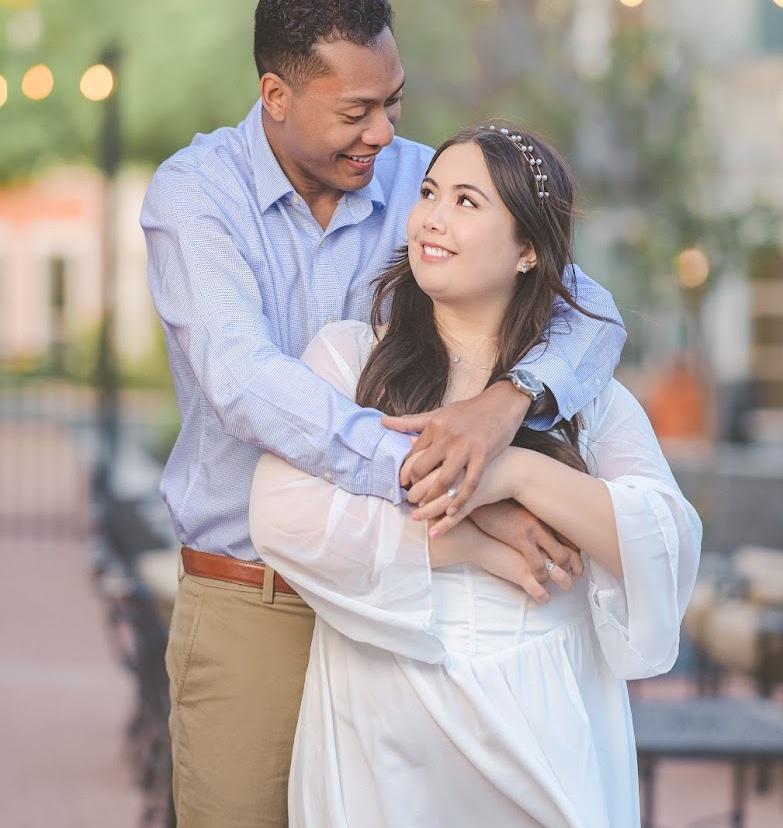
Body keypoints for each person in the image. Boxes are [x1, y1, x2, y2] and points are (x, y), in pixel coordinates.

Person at [141, 2, 626, 825]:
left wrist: (505, 408)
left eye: (393, 102)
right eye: (356, 111)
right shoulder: (195, 196)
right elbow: (242, 378)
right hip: (261, 601)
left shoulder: (425, 185)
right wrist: (439, 475)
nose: (383, 131)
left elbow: (590, 311)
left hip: (409, 614)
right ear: (276, 94)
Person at [249, 124, 702, 827]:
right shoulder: (347, 361)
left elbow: (664, 536)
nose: (432, 215)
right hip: (378, 716)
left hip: (538, 720)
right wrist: (467, 542)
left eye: (467, 201)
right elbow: (282, 516)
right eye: (429, 192)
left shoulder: (585, 398)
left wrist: (514, 471)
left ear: (527, 249)